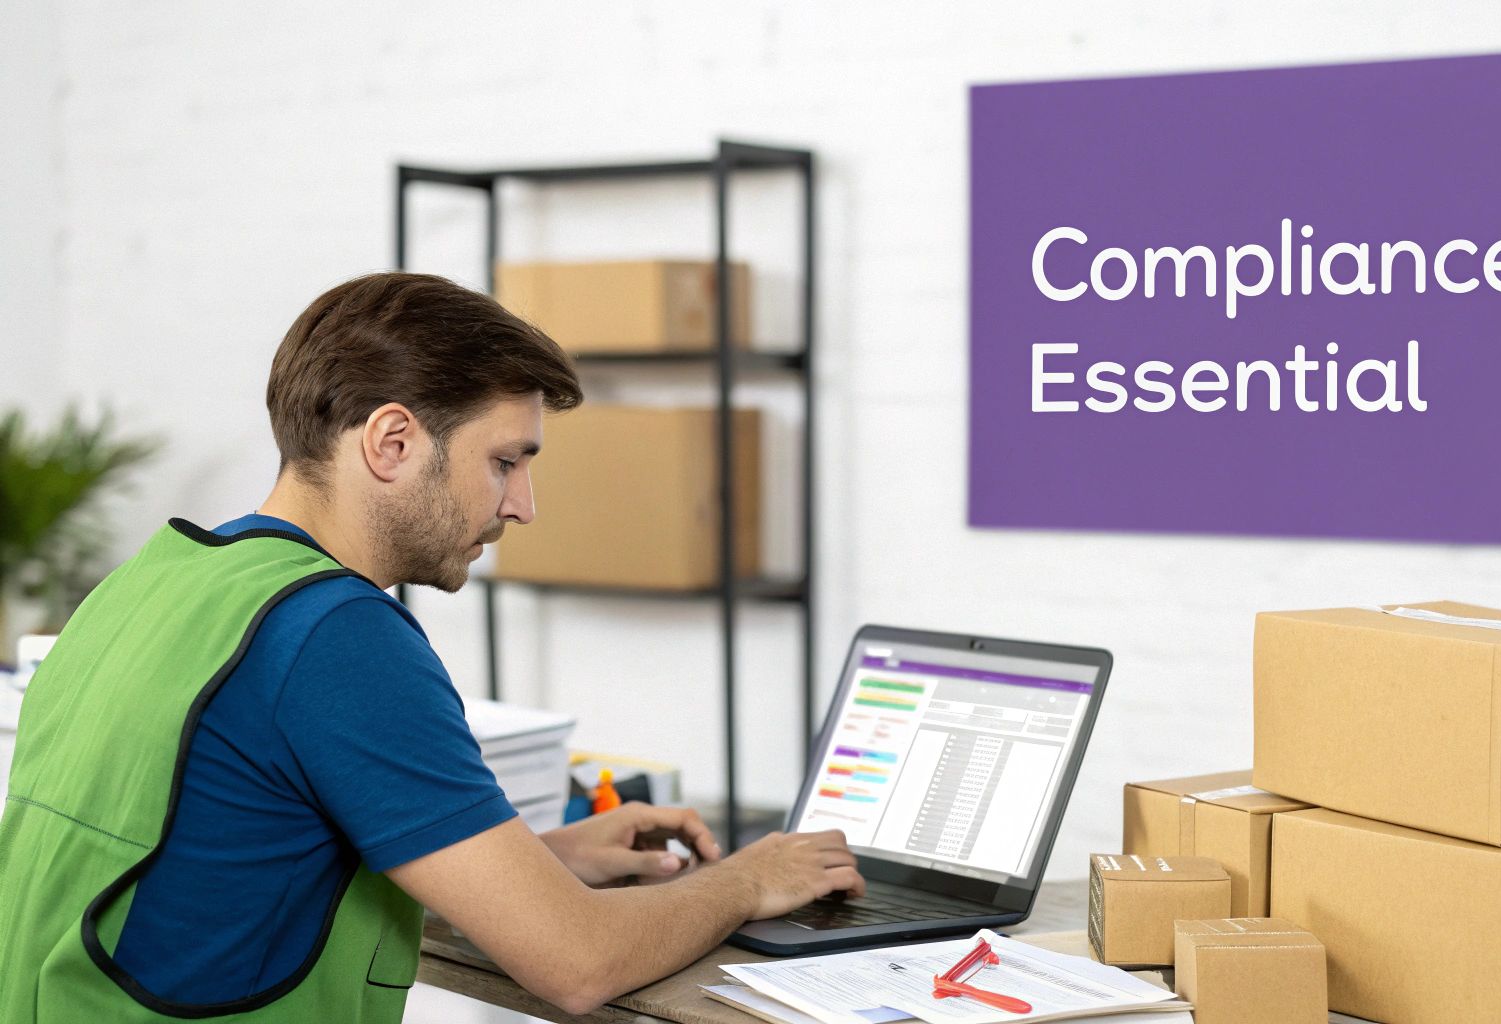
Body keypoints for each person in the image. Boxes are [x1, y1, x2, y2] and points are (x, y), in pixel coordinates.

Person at [0, 272, 862, 1022]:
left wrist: (539, 866)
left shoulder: (156, 579)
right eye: (506, 461)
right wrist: (751, 878)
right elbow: (579, 965)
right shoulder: (334, 635)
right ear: (392, 442)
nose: (523, 505)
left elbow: (222, 877)